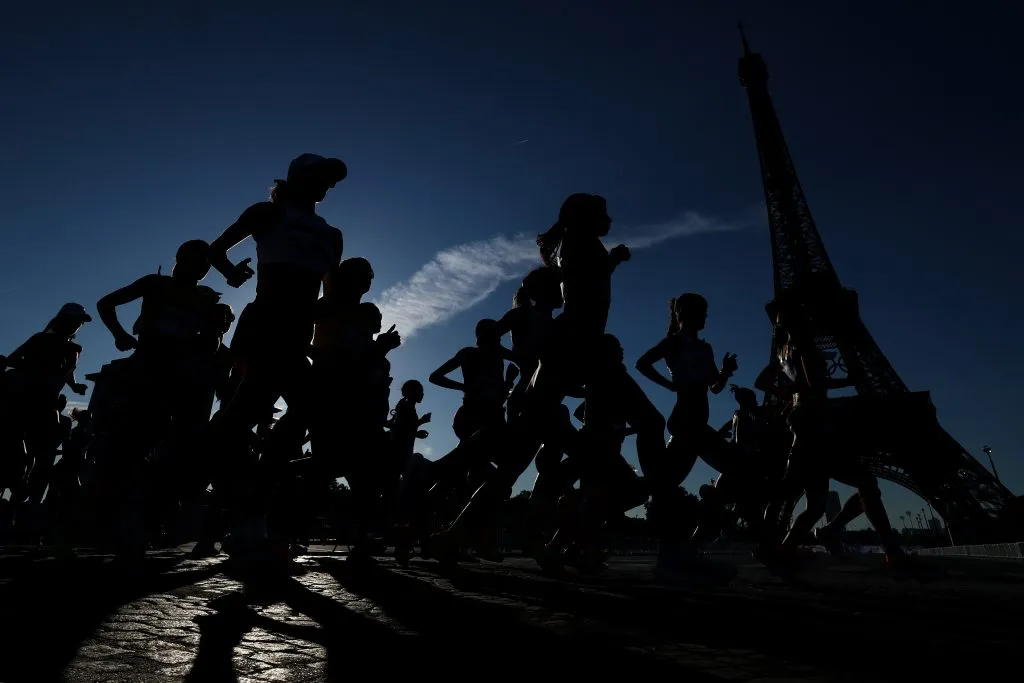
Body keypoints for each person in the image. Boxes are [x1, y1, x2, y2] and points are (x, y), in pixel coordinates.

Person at [205, 153, 347, 560]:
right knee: (251, 416)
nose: (326, 184)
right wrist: (232, 274)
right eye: (319, 176)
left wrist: (324, 347)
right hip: (265, 326)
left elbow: (329, 297)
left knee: (302, 422)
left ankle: (261, 512)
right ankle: (248, 516)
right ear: (297, 178)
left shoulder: (332, 235)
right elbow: (216, 250)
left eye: (330, 180)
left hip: (298, 335)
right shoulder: (267, 213)